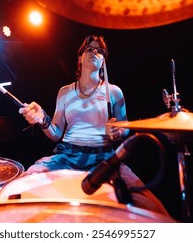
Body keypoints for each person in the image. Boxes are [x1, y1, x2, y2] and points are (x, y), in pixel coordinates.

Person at [18, 35, 169, 216]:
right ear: (80, 58)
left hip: (104, 158)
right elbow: (56, 133)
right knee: (22, 189)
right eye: (90, 49)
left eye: (100, 51)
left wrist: (117, 131)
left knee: (150, 206)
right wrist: (42, 119)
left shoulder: (114, 92)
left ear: (104, 61)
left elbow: (125, 128)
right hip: (67, 155)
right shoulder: (65, 92)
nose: (95, 52)